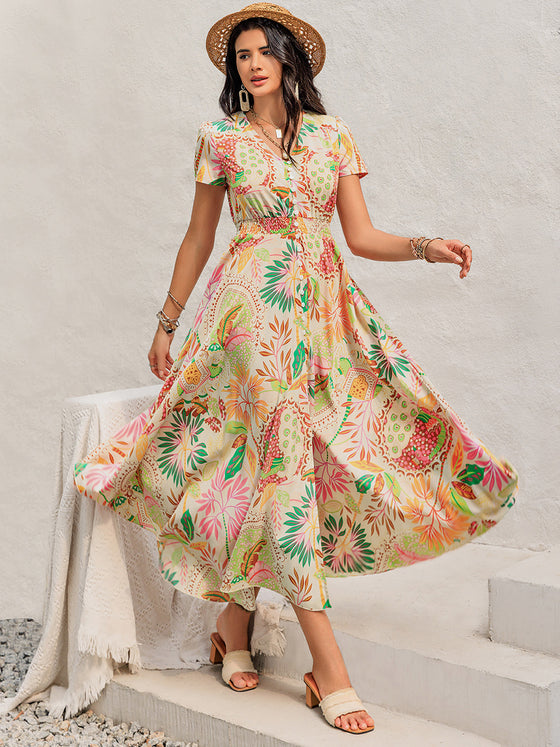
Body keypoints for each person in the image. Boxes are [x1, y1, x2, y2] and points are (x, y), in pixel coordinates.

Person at [73, 3, 518, 735]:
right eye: (239, 55)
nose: (250, 64)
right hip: (251, 315)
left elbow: (362, 235)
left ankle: (232, 626)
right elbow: (197, 236)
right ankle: (329, 668)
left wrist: (426, 244)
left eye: (261, 51)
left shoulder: (331, 136)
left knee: (296, 457)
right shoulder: (219, 139)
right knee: (282, 463)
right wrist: (166, 319)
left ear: (287, 58)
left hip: (323, 313)